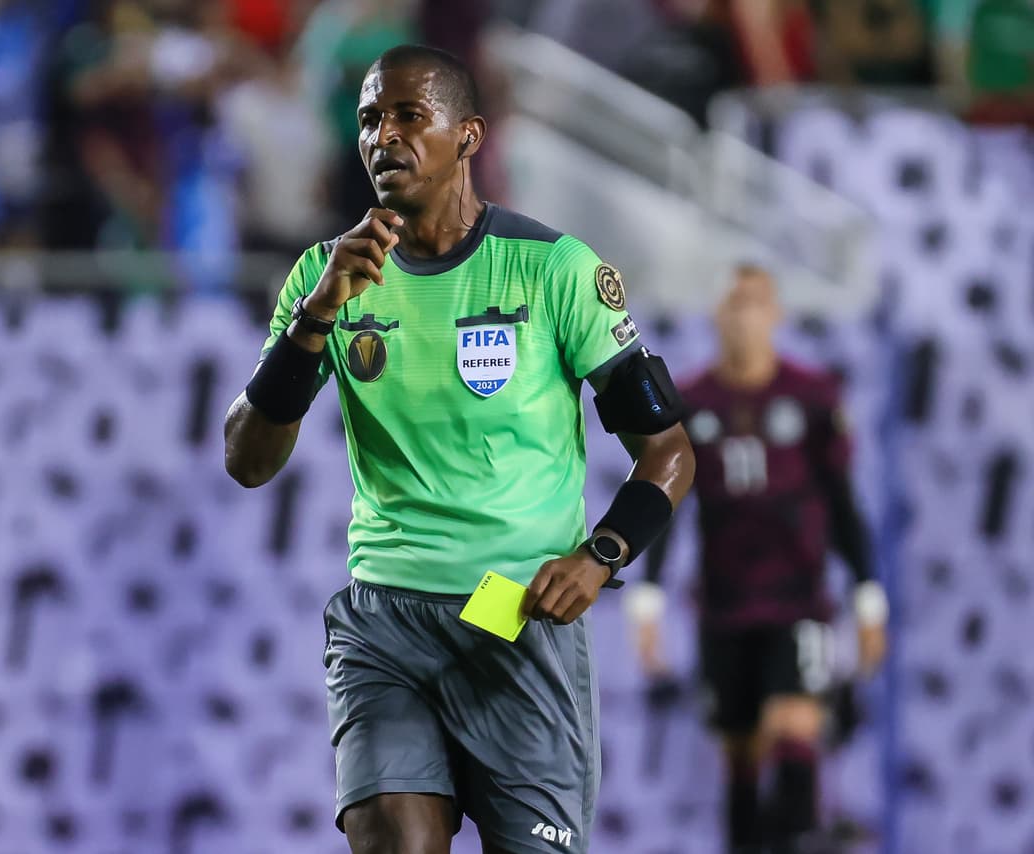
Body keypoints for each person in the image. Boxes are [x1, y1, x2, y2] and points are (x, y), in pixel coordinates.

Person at [224, 44, 695, 854]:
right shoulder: (323, 275)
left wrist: (602, 555)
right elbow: (247, 460)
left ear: (469, 136)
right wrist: (316, 317)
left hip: (514, 619)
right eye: (371, 118)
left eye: (411, 116)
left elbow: (670, 451)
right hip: (385, 624)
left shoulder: (555, 270)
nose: (384, 136)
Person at [627, 265, 889, 854]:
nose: (743, 317)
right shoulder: (691, 404)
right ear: (715, 315)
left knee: (795, 727)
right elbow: (667, 499)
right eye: (732, 305)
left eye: (754, 304)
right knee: (740, 754)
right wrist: (647, 601)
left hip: (799, 599)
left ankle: (800, 837)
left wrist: (869, 599)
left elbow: (844, 504)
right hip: (723, 605)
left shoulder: (812, 398)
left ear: (776, 314)